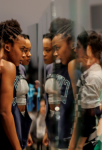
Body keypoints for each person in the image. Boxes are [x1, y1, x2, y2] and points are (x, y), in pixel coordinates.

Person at [0, 19, 32, 150]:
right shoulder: (8, 67)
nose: (23, 54)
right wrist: (17, 147)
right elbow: (5, 112)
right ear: (7, 46)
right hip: (3, 135)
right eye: (22, 49)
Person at [43, 21, 76, 149]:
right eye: (54, 48)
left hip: (70, 136)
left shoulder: (75, 69)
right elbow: (47, 102)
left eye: (58, 48)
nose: (55, 53)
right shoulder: (49, 69)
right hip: (54, 134)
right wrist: (46, 130)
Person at [72, 32, 102, 150]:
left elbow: (87, 116)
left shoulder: (93, 77)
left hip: (91, 140)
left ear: (88, 50)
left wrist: (78, 145)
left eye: (79, 46)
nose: (75, 50)